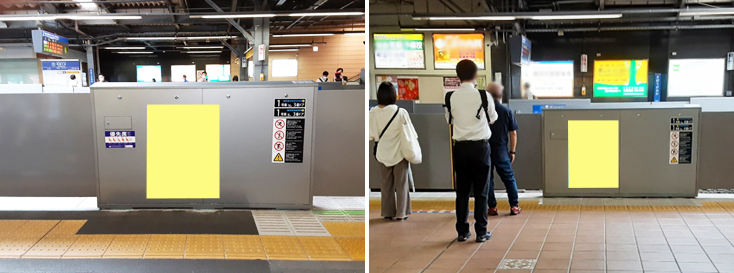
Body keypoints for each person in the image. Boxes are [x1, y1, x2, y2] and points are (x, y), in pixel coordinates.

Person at [443, 59, 498, 243]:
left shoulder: (450, 96)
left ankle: (462, 231)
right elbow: (493, 118)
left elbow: (449, 121)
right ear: (475, 75)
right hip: (481, 148)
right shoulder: (483, 95)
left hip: (460, 148)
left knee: (462, 191)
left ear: (457, 76)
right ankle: (481, 232)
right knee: (482, 191)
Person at [369, 81, 420, 221]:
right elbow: (411, 133)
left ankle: (387, 212)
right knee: (401, 184)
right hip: (400, 152)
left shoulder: (372, 113)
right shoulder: (400, 112)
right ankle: (401, 213)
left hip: (382, 153)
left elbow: (370, 135)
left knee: (386, 185)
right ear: (393, 95)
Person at [486, 83, 522, 216]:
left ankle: (492, 207)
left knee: (488, 179)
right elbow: (513, 133)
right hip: (501, 150)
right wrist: (512, 151)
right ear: (500, 95)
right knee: (509, 178)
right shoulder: (506, 111)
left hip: (485, 150)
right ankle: (514, 206)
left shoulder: (483, 111)